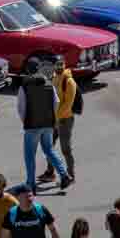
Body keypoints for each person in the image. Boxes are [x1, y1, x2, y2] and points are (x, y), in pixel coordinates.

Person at [16, 59, 70, 193]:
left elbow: (21, 107)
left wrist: (25, 121)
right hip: (48, 124)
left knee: (30, 155)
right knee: (49, 149)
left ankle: (31, 183)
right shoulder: (48, 83)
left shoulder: (25, 85)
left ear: (28, 70)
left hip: (32, 125)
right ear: (39, 68)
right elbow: (56, 102)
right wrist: (51, 118)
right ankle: (64, 175)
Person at [38, 58, 78, 186]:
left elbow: (68, 104)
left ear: (64, 65)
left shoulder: (69, 81)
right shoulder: (54, 78)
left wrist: (56, 119)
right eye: (57, 64)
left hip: (65, 120)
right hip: (54, 120)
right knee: (49, 147)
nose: (59, 66)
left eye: (61, 64)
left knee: (66, 149)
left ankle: (70, 175)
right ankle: (50, 173)